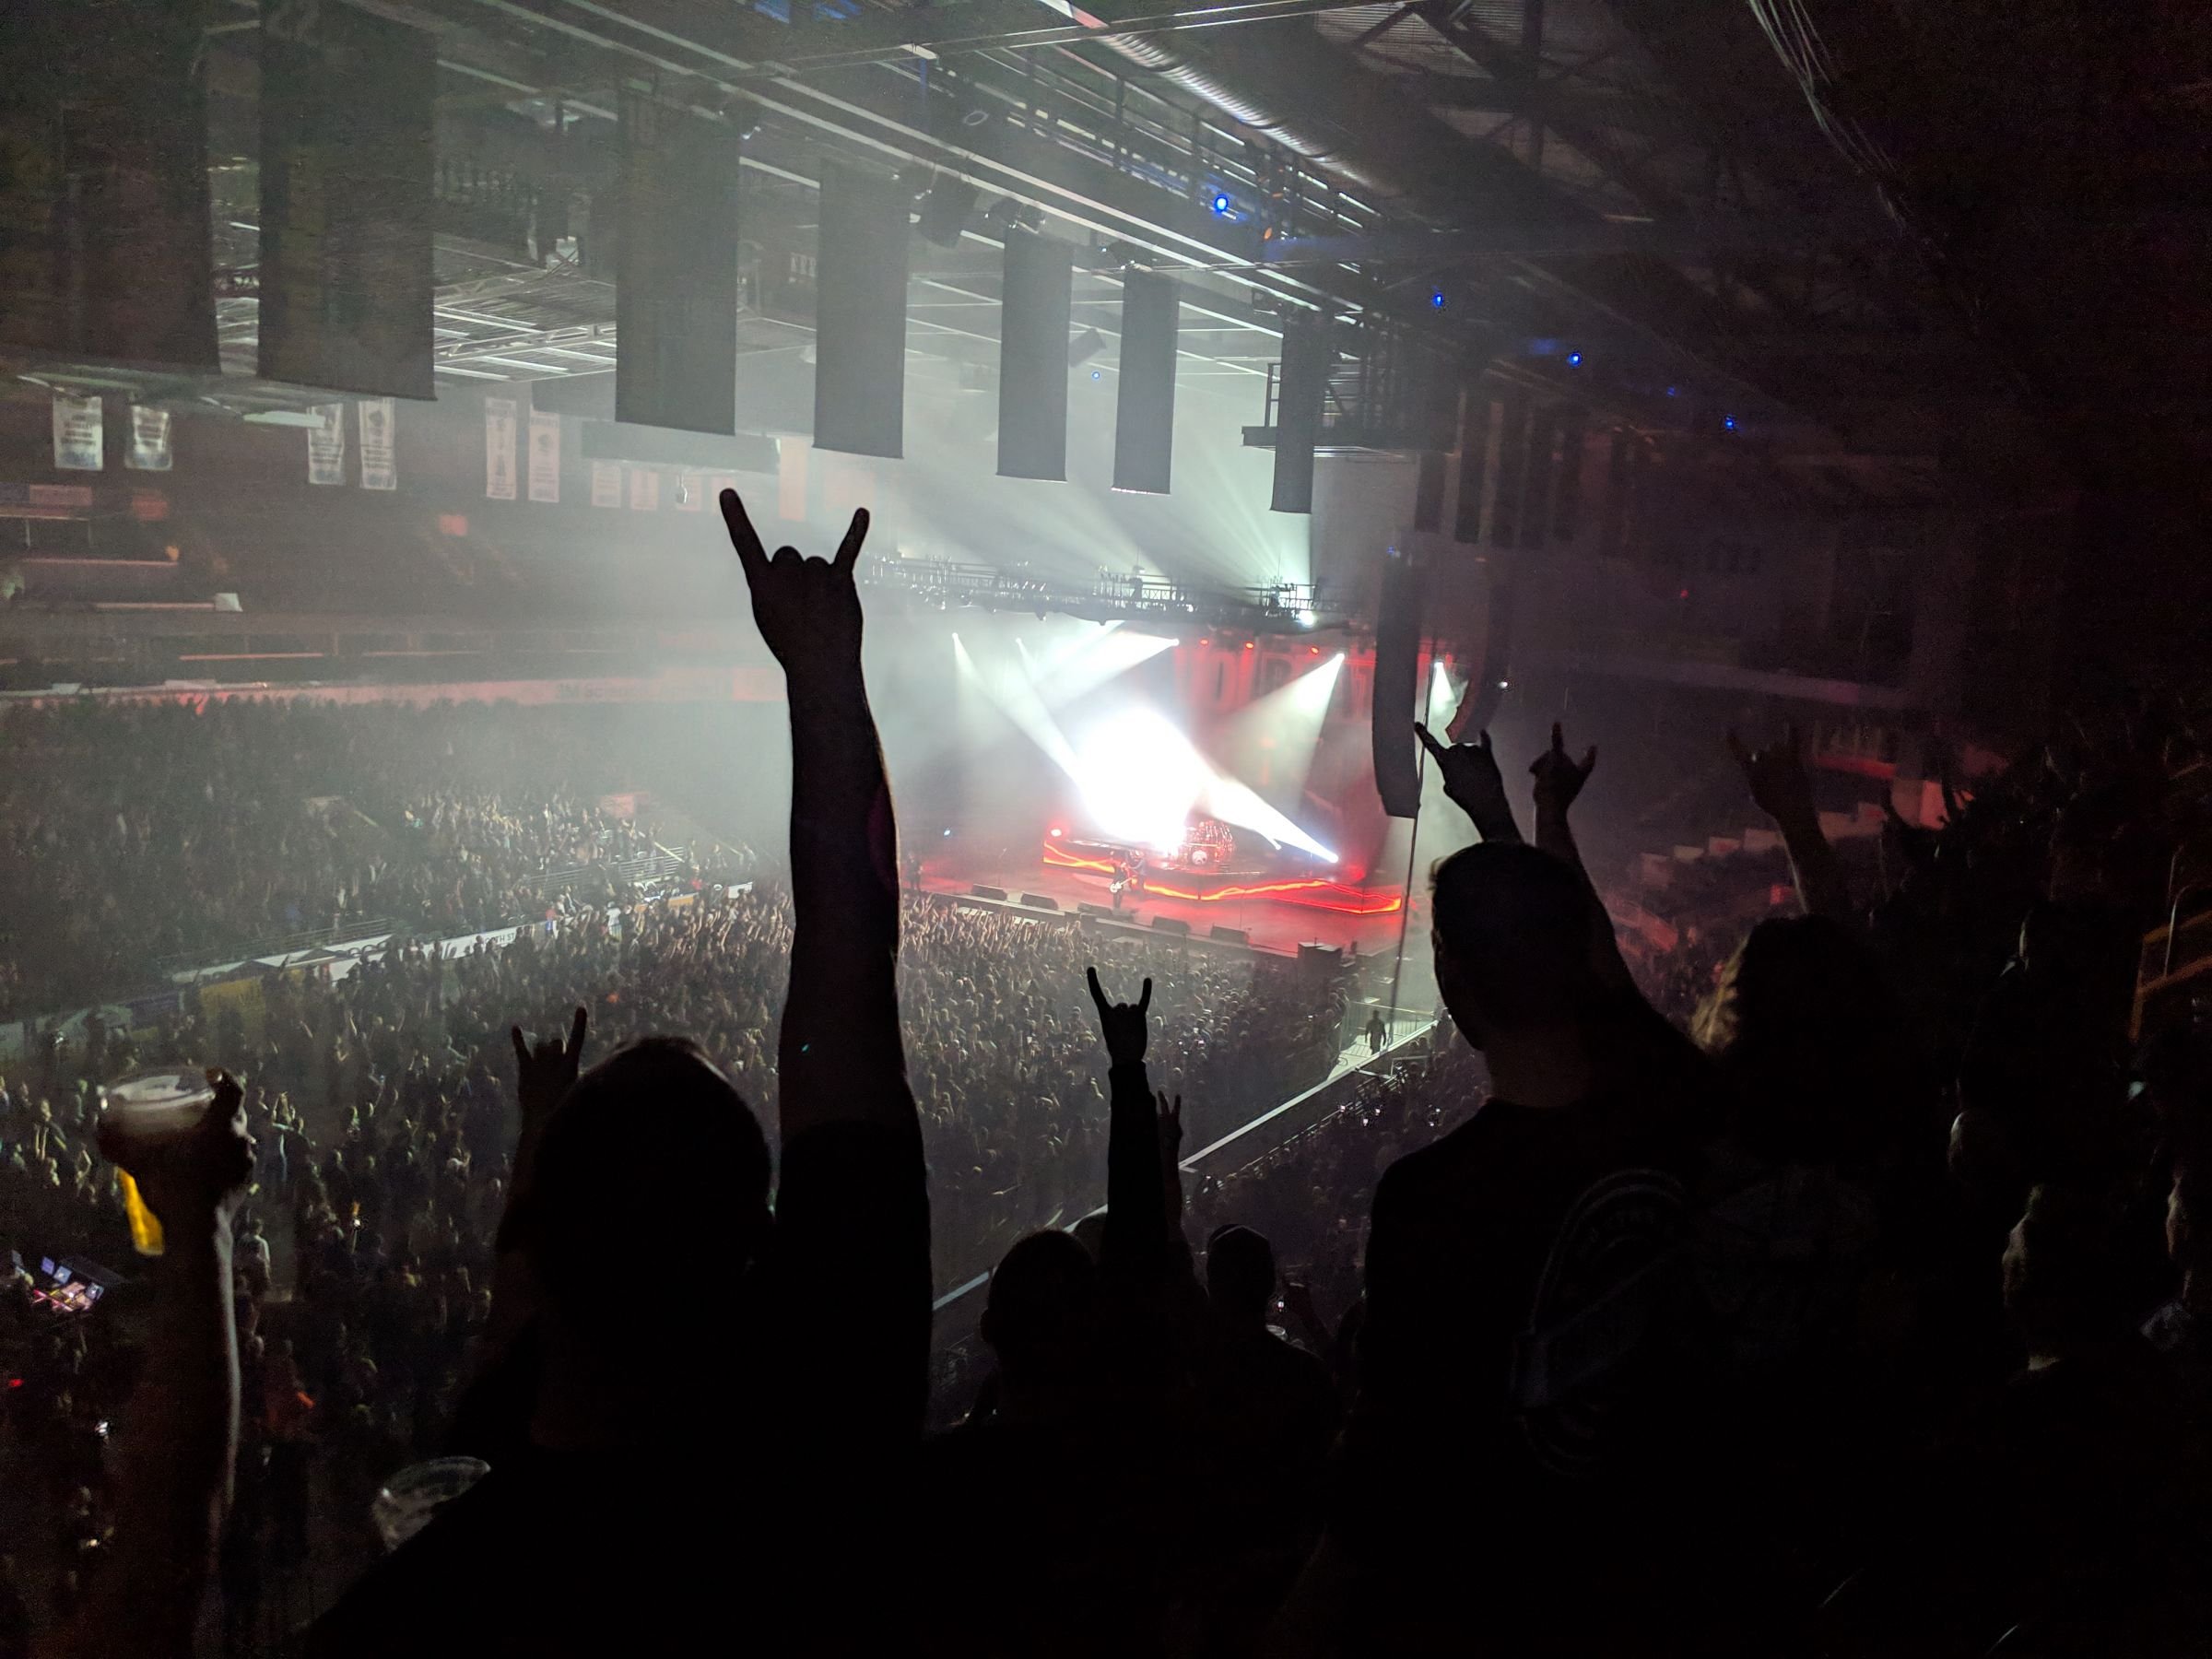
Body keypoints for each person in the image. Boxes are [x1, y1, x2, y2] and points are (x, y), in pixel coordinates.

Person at [304, 495, 931, 1655]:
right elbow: (854, 945)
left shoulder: (440, 1578)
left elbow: (509, 1317)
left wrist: (545, 1132)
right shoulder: (831, 1437)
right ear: (755, 1242)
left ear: (540, 1239)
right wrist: (822, 673)